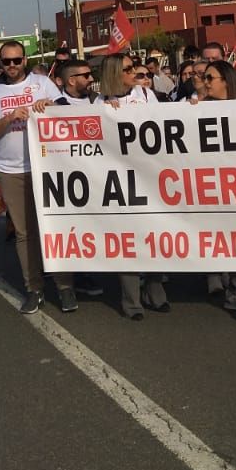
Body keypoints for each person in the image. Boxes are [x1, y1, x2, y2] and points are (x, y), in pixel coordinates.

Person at [0, 40, 72, 313]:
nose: (11, 66)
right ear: (0, 63)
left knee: (54, 227)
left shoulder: (42, 83)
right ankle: (34, 288)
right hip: (11, 170)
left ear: (25, 61)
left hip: (46, 165)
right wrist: (9, 118)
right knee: (24, 232)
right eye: (6, 62)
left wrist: (50, 106)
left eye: (16, 60)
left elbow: (68, 112)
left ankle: (65, 286)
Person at [99, 54, 169, 319]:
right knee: (127, 239)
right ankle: (131, 301)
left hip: (149, 174)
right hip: (118, 178)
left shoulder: (145, 93)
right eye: (128, 69)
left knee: (153, 235)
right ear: (115, 73)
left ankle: (156, 290)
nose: (134, 74)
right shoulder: (100, 101)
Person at [199, 60, 236, 319]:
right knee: (227, 237)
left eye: (210, 78)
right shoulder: (198, 109)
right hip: (214, 187)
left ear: (226, 80)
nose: (206, 82)